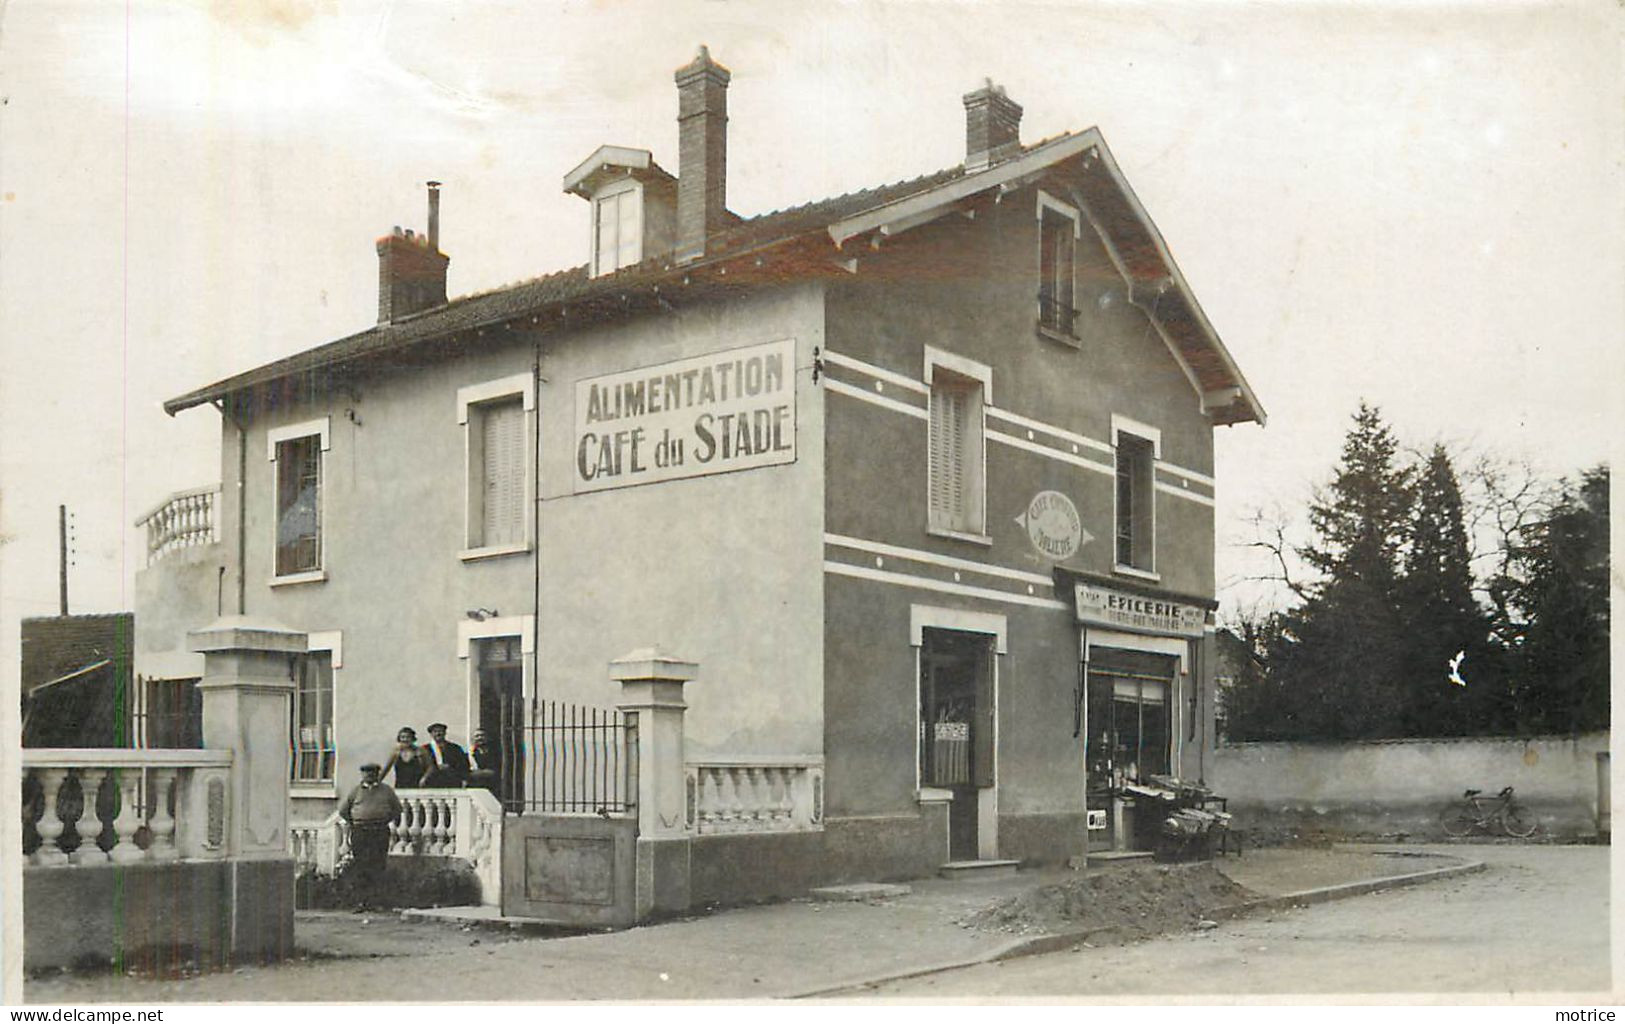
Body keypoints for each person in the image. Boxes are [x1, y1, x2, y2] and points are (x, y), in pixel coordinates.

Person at [336, 762, 401, 911]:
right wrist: (355, 822)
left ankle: (377, 901)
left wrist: (384, 820)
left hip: (379, 831)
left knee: (378, 865)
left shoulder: (386, 791)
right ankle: (361, 902)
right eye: (366, 772)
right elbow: (343, 811)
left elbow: (397, 809)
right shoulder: (355, 791)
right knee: (361, 866)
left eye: (373, 772)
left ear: (378, 774)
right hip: (361, 832)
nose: (370, 775)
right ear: (362, 774)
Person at [421, 722, 469, 788]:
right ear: (431, 734)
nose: (438, 734)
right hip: (432, 780)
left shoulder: (455, 748)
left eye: (440, 731)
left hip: (452, 779)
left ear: (445, 733)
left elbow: (463, 764)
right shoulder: (425, 749)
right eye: (435, 731)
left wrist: (464, 779)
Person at [466, 728, 502, 797]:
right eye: (477, 736)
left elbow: (495, 771)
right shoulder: (469, 753)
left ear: (487, 737)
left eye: (482, 735)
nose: (480, 738)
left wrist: (481, 773)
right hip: (475, 787)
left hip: (492, 787)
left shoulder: (495, 752)